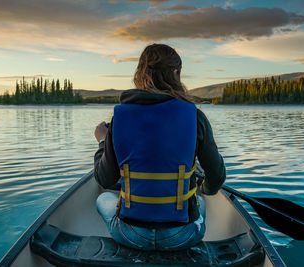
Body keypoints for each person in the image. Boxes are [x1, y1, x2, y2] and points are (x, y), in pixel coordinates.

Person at [93, 44, 225, 251]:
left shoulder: (119, 118)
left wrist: (103, 141)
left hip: (131, 234)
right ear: (176, 74)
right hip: (182, 235)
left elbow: (105, 179)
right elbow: (216, 177)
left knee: (103, 198)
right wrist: (202, 189)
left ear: (140, 73)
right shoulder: (195, 117)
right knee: (201, 201)